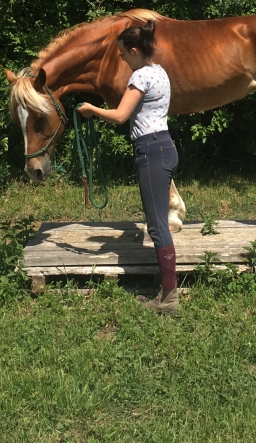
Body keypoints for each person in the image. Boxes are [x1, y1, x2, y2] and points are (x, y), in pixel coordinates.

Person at [76, 19, 180, 314]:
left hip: (150, 151)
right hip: (165, 147)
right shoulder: (160, 72)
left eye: (122, 53)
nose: (120, 58)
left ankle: (169, 297)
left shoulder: (139, 78)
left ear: (134, 50)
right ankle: (168, 292)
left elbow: (121, 116)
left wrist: (91, 109)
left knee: (158, 227)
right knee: (158, 224)